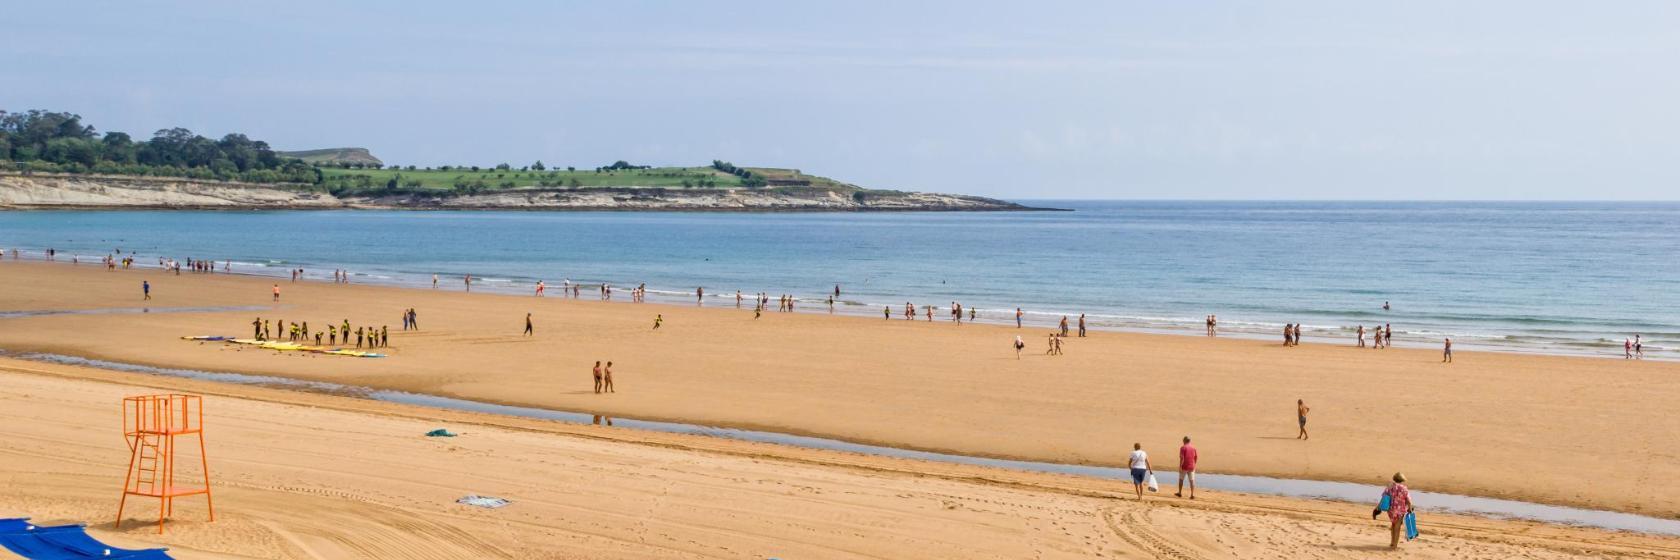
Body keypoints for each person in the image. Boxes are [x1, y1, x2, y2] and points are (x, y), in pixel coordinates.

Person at [1374, 472, 1413, 549]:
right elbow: (1408, 500)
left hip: (1391, 510)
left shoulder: (1389, 487)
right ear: (1402, 480)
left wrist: (1378, 507)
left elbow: (1383, 497)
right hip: (1400, 510)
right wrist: (1410, 508)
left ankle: (1392, 542)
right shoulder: (1404, 488)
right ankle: (1395, 545)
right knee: (1397, 527)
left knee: (1393, 525)